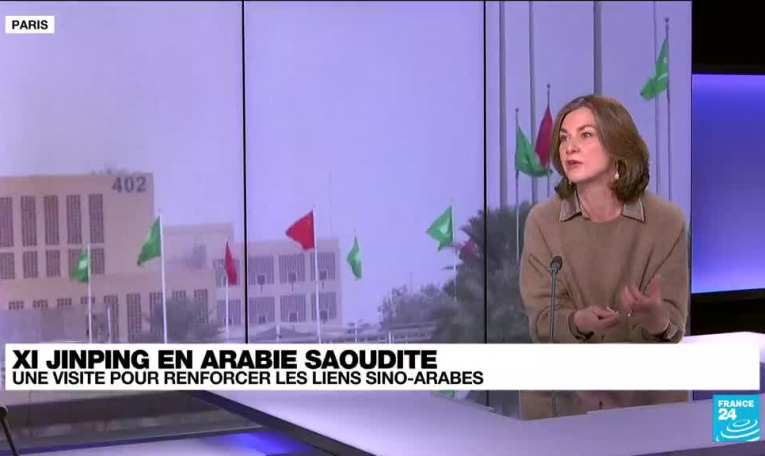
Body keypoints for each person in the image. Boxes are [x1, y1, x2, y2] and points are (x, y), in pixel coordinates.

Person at [518, 94, 689, 420]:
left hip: (646, 406)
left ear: (617, 146)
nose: (570, 147)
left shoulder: (667, 221)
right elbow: (542, 321)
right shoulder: (542, 221)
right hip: (562, 404)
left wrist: (654, 318)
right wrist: (579, 322)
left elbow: (672, 326)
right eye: (564, 138)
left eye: (585, 135)